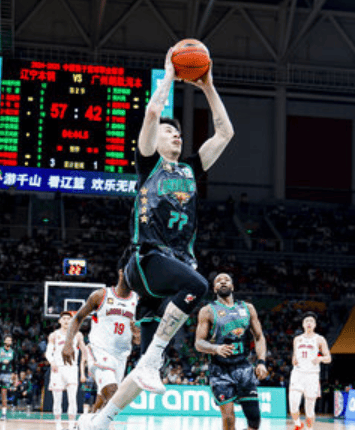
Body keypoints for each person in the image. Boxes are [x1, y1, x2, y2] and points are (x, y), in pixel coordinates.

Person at [73, 42, 234, 430]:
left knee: (146, 368)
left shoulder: (191, 169)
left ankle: (99, 421)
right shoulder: (148, 164)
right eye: (168, 131)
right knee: (199, 286)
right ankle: (155, 354)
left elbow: (225, 132)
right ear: (155, 139)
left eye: (178, 132)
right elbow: (151, 112)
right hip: (146, 260)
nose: (175, 134)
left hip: (173, 268)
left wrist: (208, 86)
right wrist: (169, 74)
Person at [195, 273, 268, 430]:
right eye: (218, 281)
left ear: (232, 286)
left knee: (254, 420)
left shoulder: (247, 308)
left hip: (243, 367)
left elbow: (259, 337)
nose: (223, 282)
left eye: (226, 280)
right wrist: (216, 348)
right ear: (215, 288)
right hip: (220, 369)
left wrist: (261, 362)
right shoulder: (207, 311)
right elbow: (199, 343)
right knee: (228, 418)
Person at [62, 264, 138, 414]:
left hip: (121, 355)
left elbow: (138, 332)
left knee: (103, 399)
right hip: (99, 349)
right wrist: (68, 343)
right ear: (121, 273)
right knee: (112, 392)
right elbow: (78, 318)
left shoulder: (137, 300)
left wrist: (138, 336)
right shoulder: (101, 295)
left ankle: (89, 421)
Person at [289, 312, 332, 430]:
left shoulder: (319, 339)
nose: (309, 323)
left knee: (309, 408)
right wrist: (294, 360)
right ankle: (298, 424)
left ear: (315, 325)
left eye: (311, 321)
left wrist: (320, 358)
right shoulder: (297, 339)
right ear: (303, 324)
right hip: (298, 374)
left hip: (312, 375)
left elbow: (328, 358)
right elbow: (294, 357)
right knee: (293, 405)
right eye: (306, 321)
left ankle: (309, 428)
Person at [46, 311, 87, 430]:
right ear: (59, 321)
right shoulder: (54, 335)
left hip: (71, 368)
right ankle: (58, 424)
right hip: (58, 369)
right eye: (63, 318)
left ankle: (71, 424)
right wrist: (52, 362)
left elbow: (84, 352)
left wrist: (83, 369)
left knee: (72, 399)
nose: (66, 321)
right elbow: (48, 352)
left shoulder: (77, 334)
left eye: (68, 319)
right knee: (57, 399)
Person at [0, 334, 17, 420]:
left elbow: (15, 367)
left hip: (7, 374)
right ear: (4, 341)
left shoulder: (13, 352)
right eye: (7, 340)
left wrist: (14, 377)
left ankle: (4, 414)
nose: (9, 341)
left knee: (4, 393)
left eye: (10, 340)